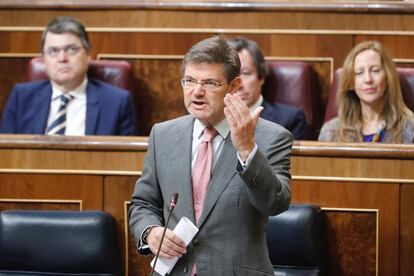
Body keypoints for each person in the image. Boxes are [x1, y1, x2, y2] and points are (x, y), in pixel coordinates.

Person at [129, 36, 292, 275]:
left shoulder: (270, 137)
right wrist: (150, 232)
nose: (197, 91)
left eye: (210, 83)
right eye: (189, 81)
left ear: (234, 86)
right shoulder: (162, 134)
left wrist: (247, 150)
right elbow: (143, 203)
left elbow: (275, 203)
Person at [0, 16, 137, 135]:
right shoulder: (22, 97)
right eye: (53, 51)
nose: (62, 58)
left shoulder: (117, 102)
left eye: (71, 49)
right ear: (43, 58)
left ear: (88, 54)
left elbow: (125, 160)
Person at [319, 40, 414, 143]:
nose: (368, 79)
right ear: (350, 82)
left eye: (375, 70)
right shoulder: (331, 132)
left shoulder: (410, 129)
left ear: (388, 77)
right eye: (359, 73)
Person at [228, 37, 308, 140]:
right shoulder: (210, 117)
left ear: (261, 77)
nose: (239, 85)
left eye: (245, 73)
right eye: (231, 74)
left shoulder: (291, 120)